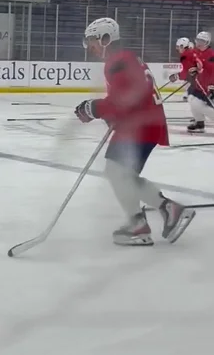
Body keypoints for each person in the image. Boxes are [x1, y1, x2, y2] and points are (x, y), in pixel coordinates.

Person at [74, 16, 195, 246]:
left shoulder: (117, 61)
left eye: (93, 40)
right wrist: (108, 114)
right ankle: (144, 221)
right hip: (144, 123)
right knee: (121, 174)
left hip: (140, 125)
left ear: (106, 39)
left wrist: (94, 108)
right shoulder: (127, 58)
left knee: (117, 172)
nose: (90, 46)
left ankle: (151, 219)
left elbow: (125, 99)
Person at [184, 30, 214, 132]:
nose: (199, 43)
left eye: (202, 41)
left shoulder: (211, 55)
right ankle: (199, 122)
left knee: (198, 104)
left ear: (207, 43)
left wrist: (212, 85)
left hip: (208, 85)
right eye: (198, 41)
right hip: (198, 84)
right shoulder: (196, 52)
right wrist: (193, 70)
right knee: (191, 98)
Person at [169, 37, 196, 102]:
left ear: (182, 46)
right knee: (188, 81)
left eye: (178, 46)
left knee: (189, 81)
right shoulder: (188, 53)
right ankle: (189, 94)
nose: (177, 49)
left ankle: (191, 94)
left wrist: (177, 76)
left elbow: (187, 71)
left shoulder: (185, 55)